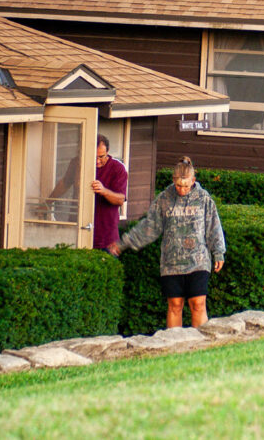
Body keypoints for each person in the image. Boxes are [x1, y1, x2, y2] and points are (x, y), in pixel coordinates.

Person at [107, 157, 225, 328]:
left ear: (193, 180)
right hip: (171, 263)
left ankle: (201, 348)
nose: (182, 190)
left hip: (198, 262)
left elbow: (213, 226)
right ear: (173, 180)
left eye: (186, 186)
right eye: (178, 186)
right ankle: (174, 348)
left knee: (198, 304)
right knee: (175, 305)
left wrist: (218, 252)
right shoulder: (164, 199)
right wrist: (124, 243)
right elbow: (149, 227)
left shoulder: (204, 199)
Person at [91, 134, 127, 250]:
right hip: (80, 233)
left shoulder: (118, 168)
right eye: (93, 157)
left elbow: (120, 199)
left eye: (101, 157)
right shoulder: (78, 163)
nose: (97, 161)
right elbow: (64, 183)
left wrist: (103, 191)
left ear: (108, 151)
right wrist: (47, 203)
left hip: (107, 239)